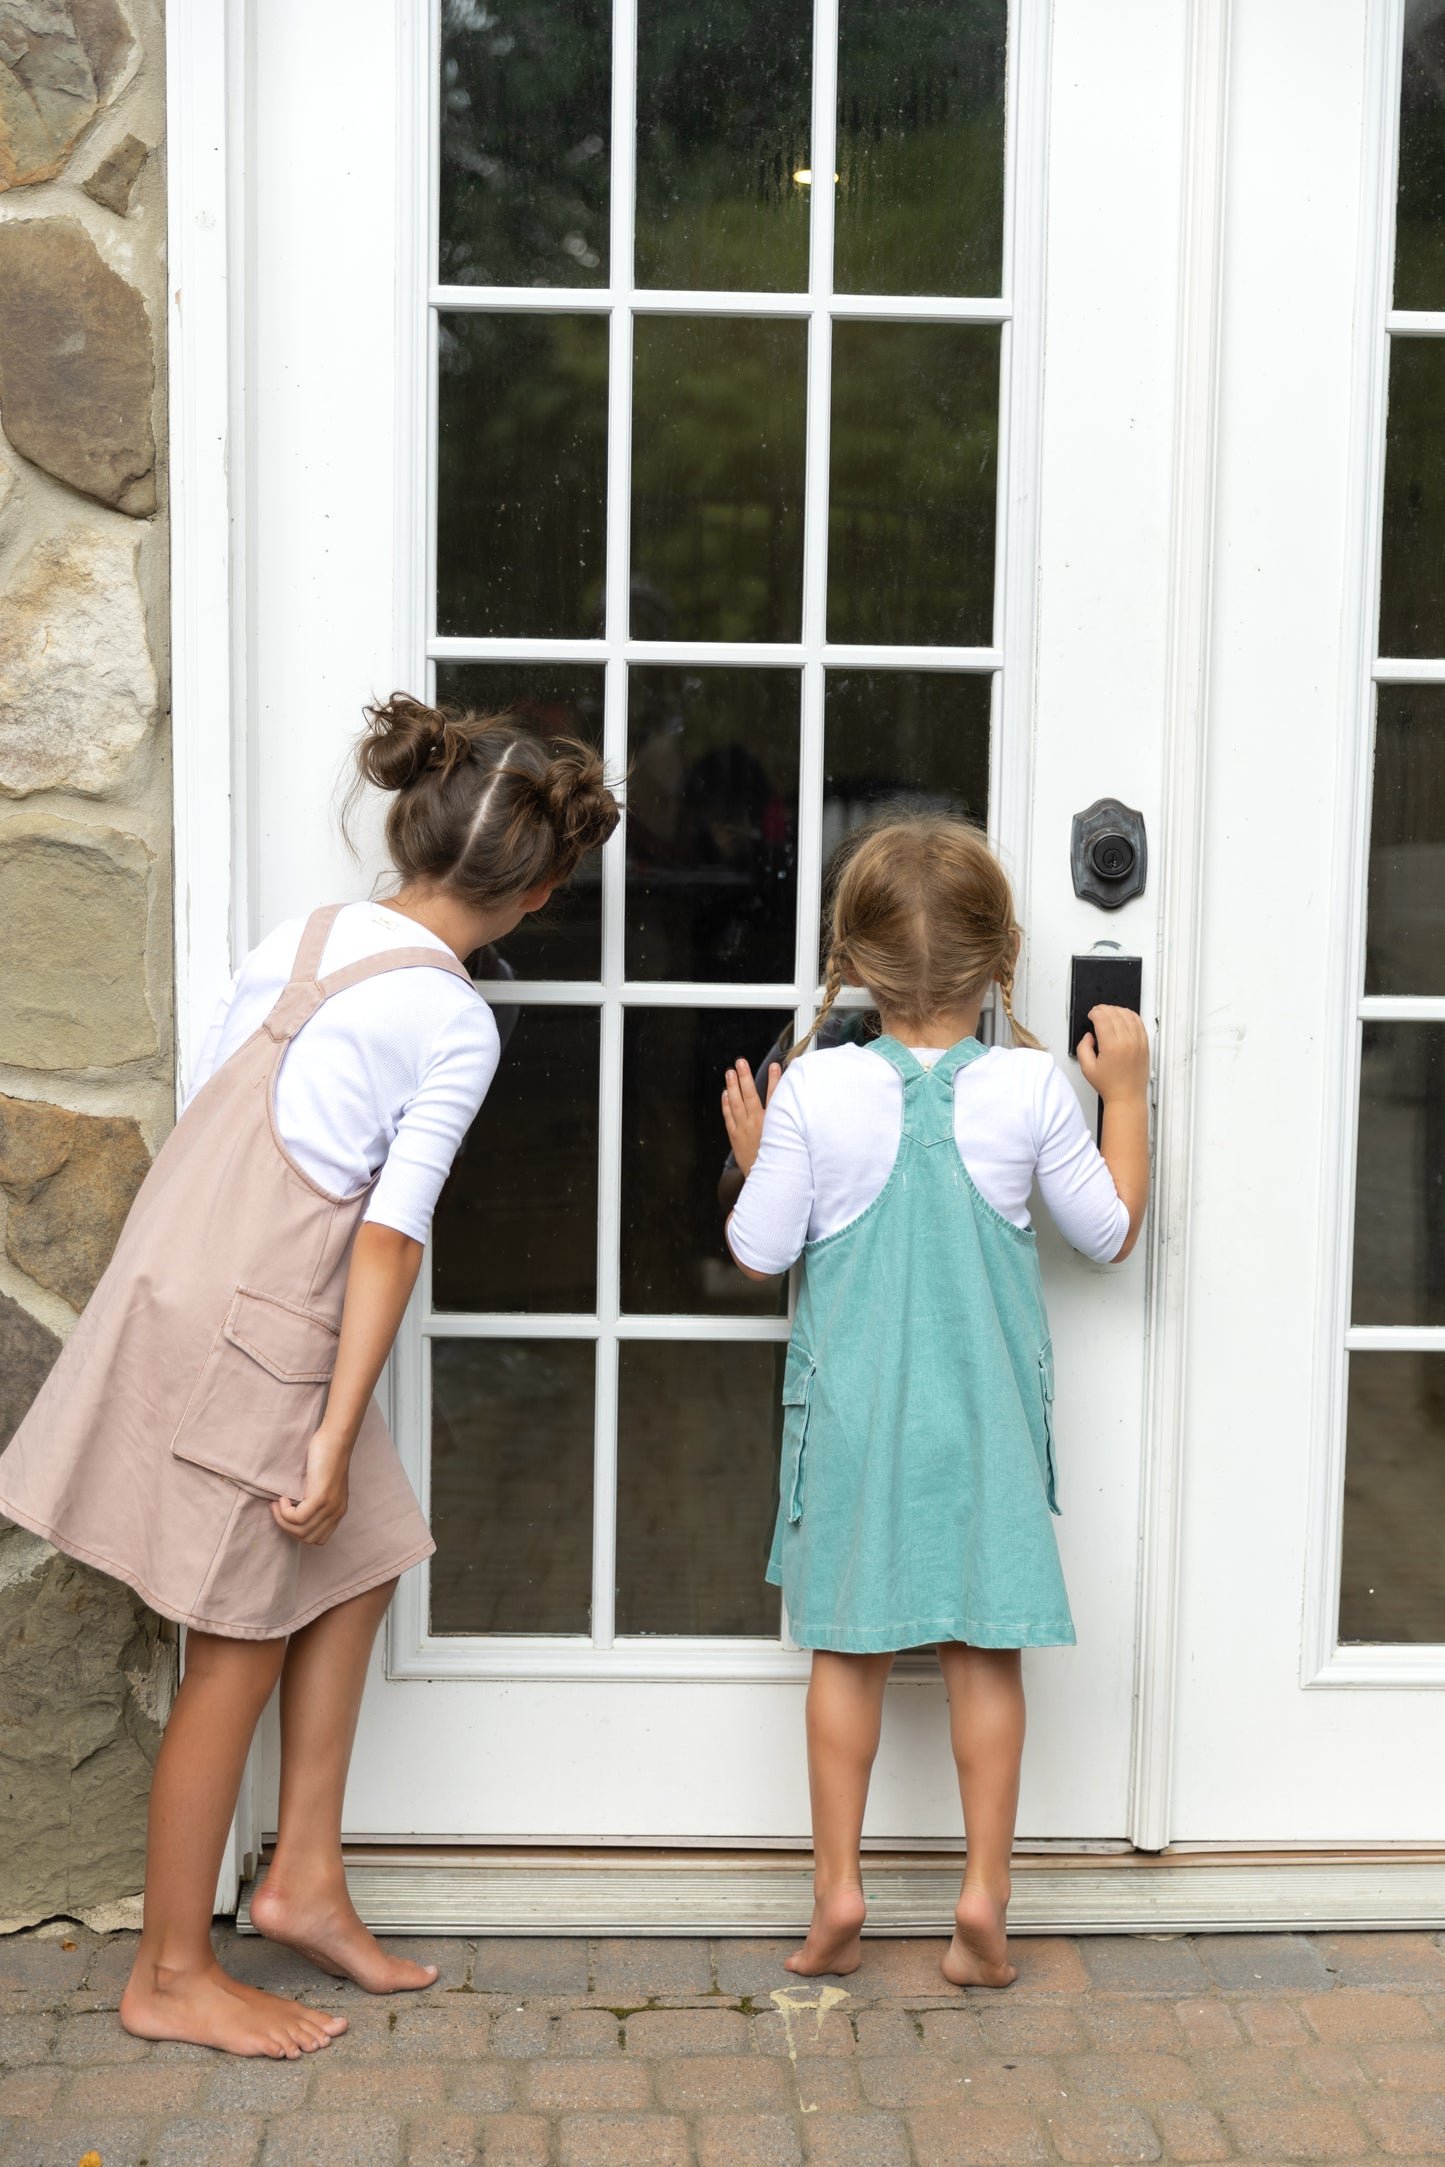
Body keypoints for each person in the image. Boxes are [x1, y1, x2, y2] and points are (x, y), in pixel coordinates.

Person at [0, 694, 619, 2058]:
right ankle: (169, 1968)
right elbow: (389, 1237)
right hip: (271, 1329)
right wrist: (331, 1429)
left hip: (187, 1281)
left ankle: (303, 1880)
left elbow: (227, 1102)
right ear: (542, 891)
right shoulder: (454, 1021)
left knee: (366, 1548)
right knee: (238, 1639)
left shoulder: (314, 935)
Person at [720, 815, 1149, 1989]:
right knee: (982, 1657)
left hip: (854, 1424)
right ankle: (981, 1899)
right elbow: (1108, 1232)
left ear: (849, 963)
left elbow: (757, 1252)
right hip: (982, 1423)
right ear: (1000, 960)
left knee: (844, 1657)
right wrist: (1128, 1090)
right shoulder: (1029, 1087)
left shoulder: (815, 1089)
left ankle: (837, 1893)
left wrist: (760, 1155)